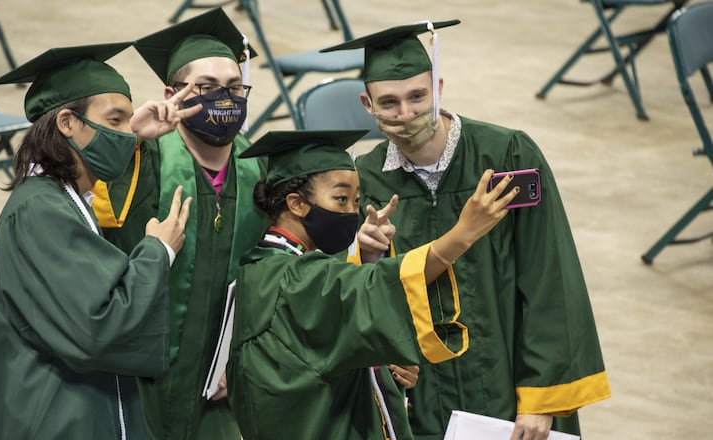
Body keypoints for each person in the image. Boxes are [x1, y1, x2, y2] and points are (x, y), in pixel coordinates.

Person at [321, 20, 612, 440]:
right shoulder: (363, 180)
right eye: (390, 103)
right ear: (368, 105)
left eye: (418, 97)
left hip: (510, 389)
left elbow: (549, 276)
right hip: (418, 403)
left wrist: (542, 399)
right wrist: (360, 255)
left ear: (438, 87)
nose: (406, 114)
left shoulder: (507, 155)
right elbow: (352, 297)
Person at [0, 42, 203, 439]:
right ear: (67, 123)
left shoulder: (58, 199)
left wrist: (131, 137)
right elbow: (101, 326)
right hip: (47, 418)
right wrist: (158, 252)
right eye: (115, 119)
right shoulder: (40, 213)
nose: (124, 132)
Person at [226, 129, 521, 440]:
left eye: (356, 200)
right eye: (340, 199)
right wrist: (461, 235)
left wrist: (380, 366)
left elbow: (324, 342)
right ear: (297, 204)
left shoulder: (262, 266)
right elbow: (371, 288)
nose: (351, 212)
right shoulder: (294, 279)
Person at [90, 8, 268, 439]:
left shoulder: (261, 170)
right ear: (172, 93)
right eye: (205, 88)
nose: (223, 99)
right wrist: (128, 137)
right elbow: (77, 201)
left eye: (233, 87)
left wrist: (243, 357)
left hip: (220, 387)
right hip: (139, 379)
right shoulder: (140, 161)